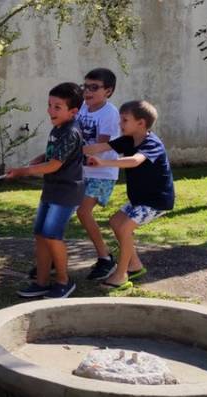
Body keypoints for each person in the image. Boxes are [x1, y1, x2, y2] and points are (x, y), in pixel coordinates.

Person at [84, 100, 175, 290]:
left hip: (155, 201)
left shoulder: (152, 143)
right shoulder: (128, 139)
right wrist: (72, 151)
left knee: (124, 228)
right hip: (139, 199)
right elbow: (100, 147)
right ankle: (135, 265)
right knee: (116, 222)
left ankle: (121, 276)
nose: (120, 124)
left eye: (125, 120)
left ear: (141, 123)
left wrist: (103, 163)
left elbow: (134, 161)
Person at [6, 82, 84, 299]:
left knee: (52, 235)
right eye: (49, 105)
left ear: (73, 111)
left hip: (66, 192)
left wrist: (24, 171)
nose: (50, 110)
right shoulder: (58, 128)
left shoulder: (71, 131)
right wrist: (42, 156)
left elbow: (55, 165)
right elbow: (54, 156)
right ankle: (41, 282)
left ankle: (63, 281)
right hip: (52, 189)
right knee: (40, 234)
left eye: (57, 107)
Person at [74, 68, 120, 280]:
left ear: (108, 91)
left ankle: (105, 257)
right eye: (86, 86)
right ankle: (52, 259)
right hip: (81, 169)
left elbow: (102, 145)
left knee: (84, 212)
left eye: (94, 87)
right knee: (63, 209)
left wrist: (74, 152)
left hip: (102, 172)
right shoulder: (82, 107)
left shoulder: (109, 113)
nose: (88, 91)